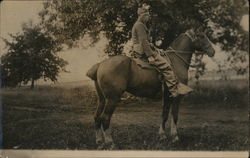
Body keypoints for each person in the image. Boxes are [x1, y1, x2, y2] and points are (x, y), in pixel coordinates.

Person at [131, 3, 193, 98]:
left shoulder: (138, 25)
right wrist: (150, 56)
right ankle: (174, 90)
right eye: (147, 16)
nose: (148, 18)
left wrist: (155, 49)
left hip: (141, 49)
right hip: (142, 51)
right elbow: (143, 42)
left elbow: (145, 42)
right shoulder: (140, 25)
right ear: (143, 16)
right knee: (166, 65)